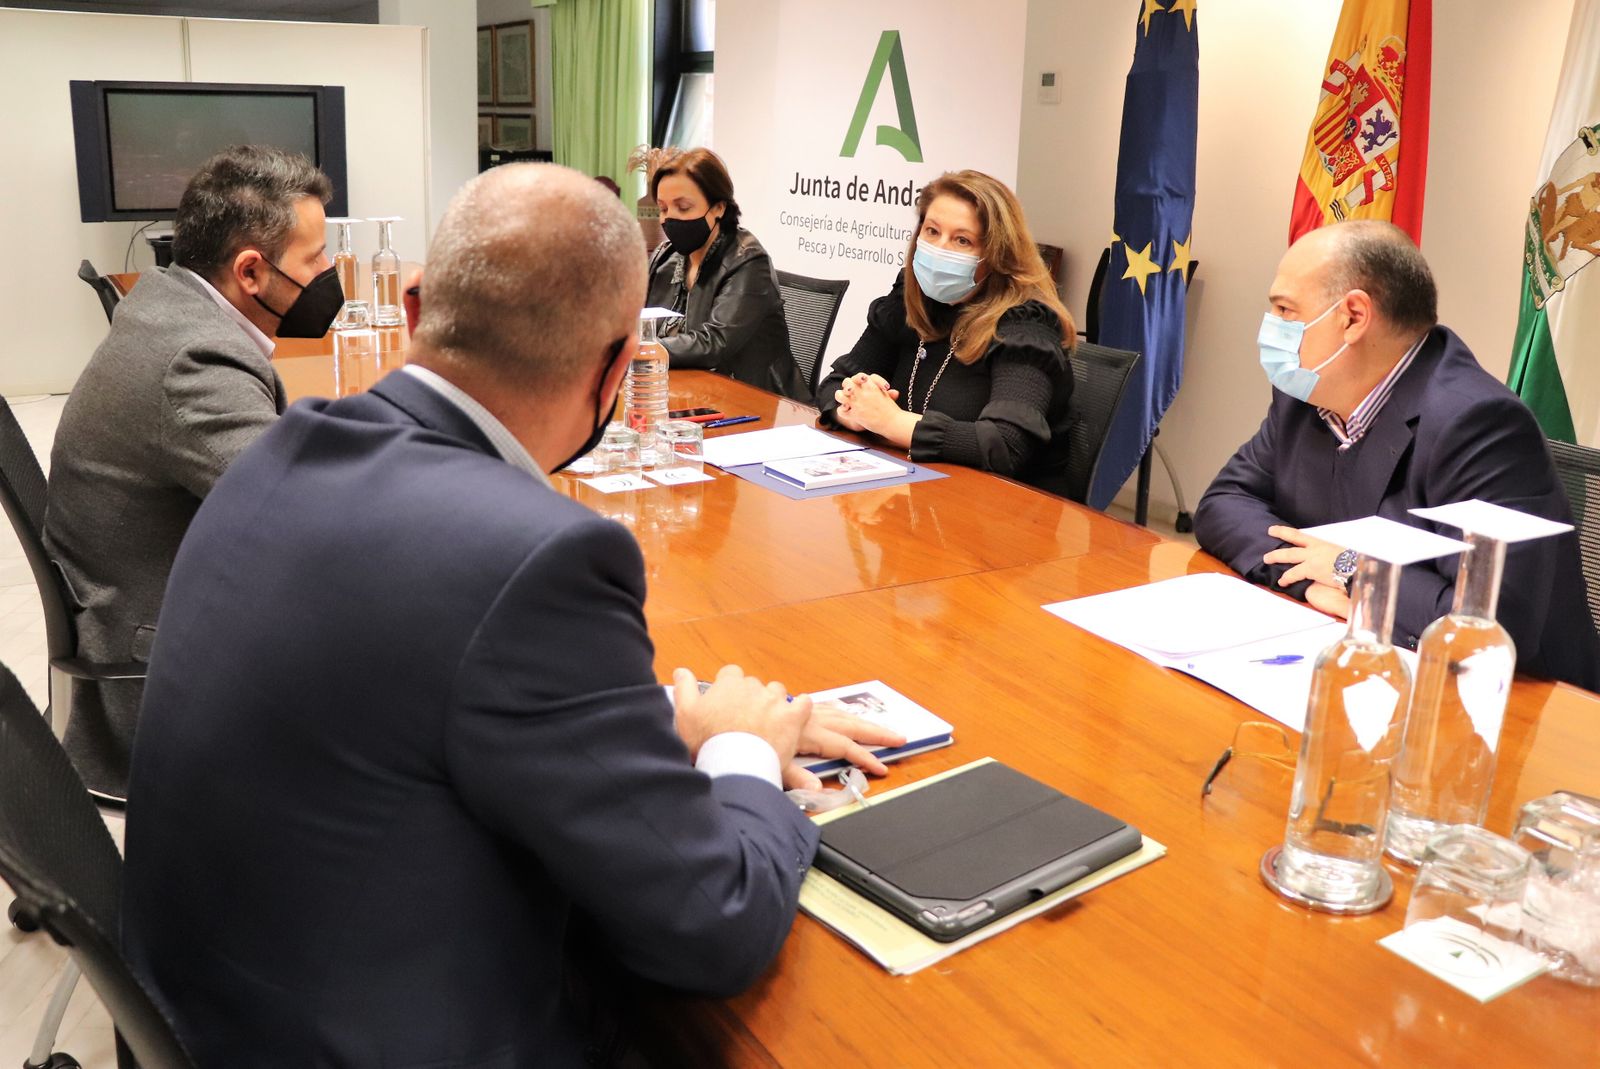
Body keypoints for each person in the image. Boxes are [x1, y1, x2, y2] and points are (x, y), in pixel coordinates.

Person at [120, 163, 900, 1067]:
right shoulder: (540, 559)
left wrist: (644, 728)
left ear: (413, 311)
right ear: (616, 373)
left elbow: (424, 678)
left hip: (211, 1014)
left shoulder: (281, 447)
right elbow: (712, 925)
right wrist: (741, 751)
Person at [44, 145, 341, 798]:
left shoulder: (168, 303)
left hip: (141, 599)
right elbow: (307, 519)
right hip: (158, 669)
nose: (330, 271)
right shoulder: (196, 359)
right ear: (252, 271)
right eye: (315, 258)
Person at [1195, 220, 1599, 688]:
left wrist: (1351, 570)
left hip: (1517, 705)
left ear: (1353, 317)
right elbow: (1222, 504)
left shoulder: (1477, 423)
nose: (1272, 328)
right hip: (1355, 657)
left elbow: (1489, 624)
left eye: (1285, 310)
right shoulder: (1304, 396)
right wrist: (1313, 578)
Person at [815, 170, 1077, 497]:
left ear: (996, 254)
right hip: (915, 494)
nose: (940, 249)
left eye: (962, 240)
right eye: (932, 231)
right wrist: (853, 411)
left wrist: (892, 424)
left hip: (1004, 514)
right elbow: (834, 384)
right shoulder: (910, 300)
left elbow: (1006, 446)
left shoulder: (1025, 326)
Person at [639, 147, 808, 400]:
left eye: (683, 207)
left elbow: (714, 343)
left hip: (759, 402)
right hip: (691, 393)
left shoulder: (748, 261)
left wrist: (643, 349)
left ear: (718, 207)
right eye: (663, 209)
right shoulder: (665, 257)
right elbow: (643, 325)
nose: (669, 218)